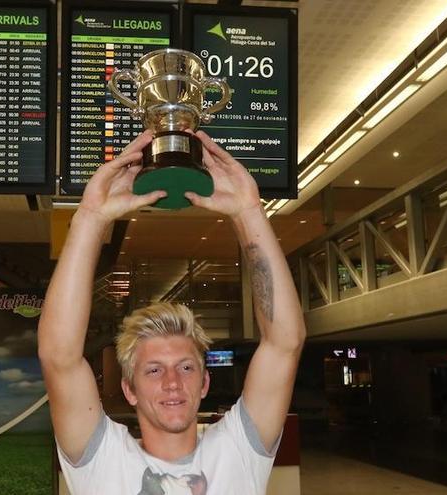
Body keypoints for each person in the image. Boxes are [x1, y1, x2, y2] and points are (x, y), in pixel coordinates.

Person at [38, 130, 306, 494]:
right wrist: (91, 217)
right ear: (129, 389)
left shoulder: (239, 451)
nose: (172, 383)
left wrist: (248, 212)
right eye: (153, 370)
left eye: (186, 367)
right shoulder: (102, 460)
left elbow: (284, 342)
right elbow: (59, 356)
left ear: (205, 382)